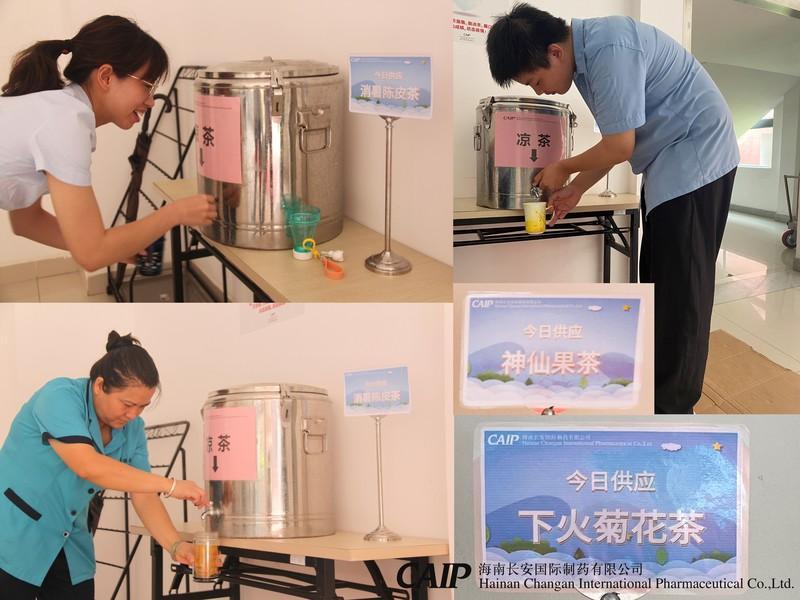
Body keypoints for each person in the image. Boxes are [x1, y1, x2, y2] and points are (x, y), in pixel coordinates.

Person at [486, 4, 740, 414]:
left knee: (682, 294)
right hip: (669, 165)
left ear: (554, 52)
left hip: (697, 158)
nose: (539, 92)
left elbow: (620, 146)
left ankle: (674, 411)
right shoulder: (588, 60)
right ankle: (654, 393)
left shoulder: (610, 47)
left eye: (535, 81)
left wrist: (563, 167)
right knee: (658, 284)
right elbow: (619, 140)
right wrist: (575, 189)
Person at [0, 331, 208, 599]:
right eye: (128, 404)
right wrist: (172, 485)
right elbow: (88, 466)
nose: (133, 415)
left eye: (142, 407)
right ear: (99, 385)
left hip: (70, 539)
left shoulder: (133, 429)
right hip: (16, 532)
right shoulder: (58, 397)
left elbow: (144, 494)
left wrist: (175, 544)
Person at [0, 15, 216, 271]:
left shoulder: (56, 110)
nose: (151, 102)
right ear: (105, 76)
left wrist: (114, 247)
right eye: (147, 86)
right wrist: (175, 213)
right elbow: (91, 255)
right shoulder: (66, 122)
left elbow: (28, 222)